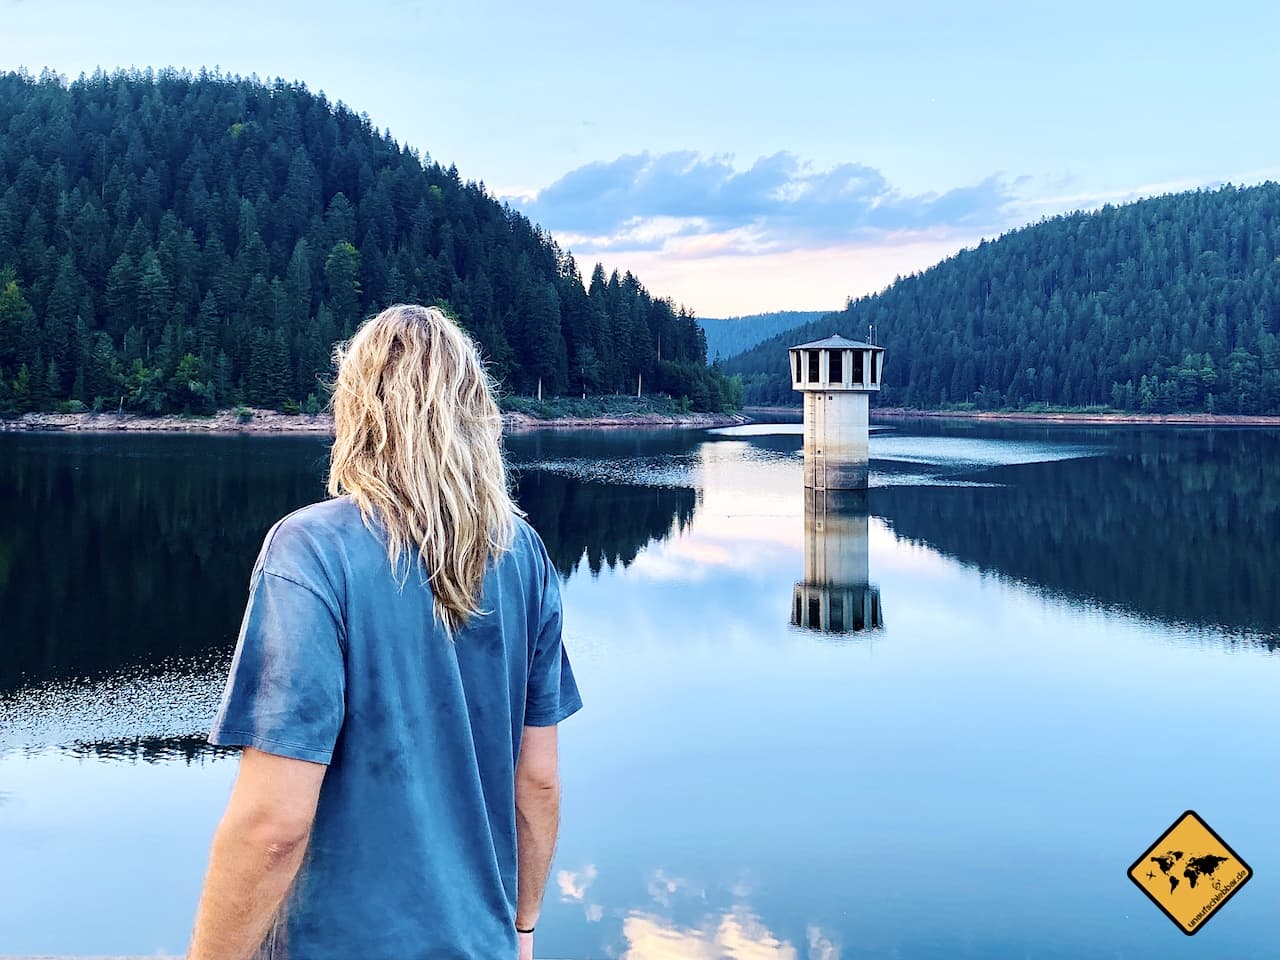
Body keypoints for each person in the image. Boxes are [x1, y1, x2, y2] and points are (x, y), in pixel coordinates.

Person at [186, 304, 582, 960]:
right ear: (473, 409)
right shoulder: (523, 554)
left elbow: (273, 823)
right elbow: (537, 780)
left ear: (359, 408)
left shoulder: (311, 551)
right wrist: (523, 928)